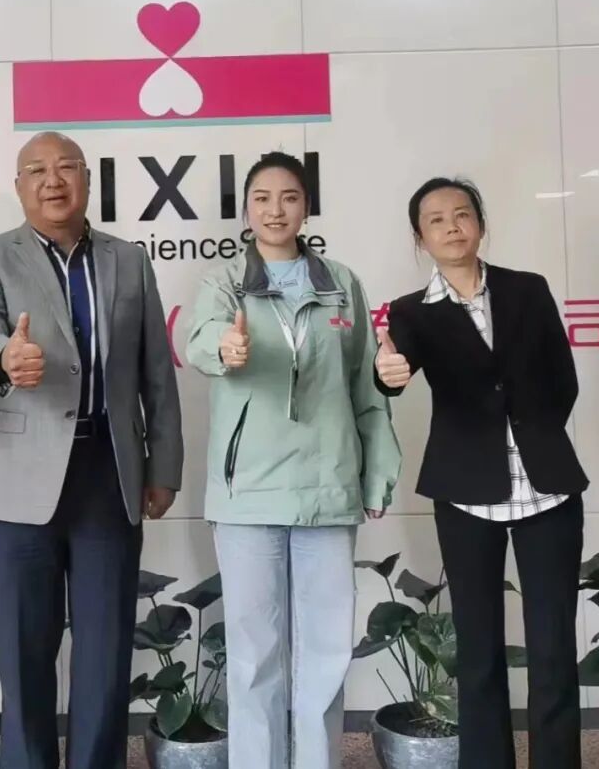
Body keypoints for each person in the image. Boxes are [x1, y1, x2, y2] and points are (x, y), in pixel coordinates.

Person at [0, 131, 183, 769]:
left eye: (66, 168)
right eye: (37, 170)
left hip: (109, 473)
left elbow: (155, 372)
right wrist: (5, 356)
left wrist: (164, 466)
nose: (52, 181)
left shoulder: (128, 260)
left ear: (86, 179)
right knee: (23, 648)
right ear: (19, 186)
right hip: (18, 479)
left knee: (105, 649)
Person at [186, 151, 401, 769]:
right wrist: (224, 346)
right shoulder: (225, 283)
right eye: (262, 198)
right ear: (246, 210)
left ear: (306, 207)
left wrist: (377, 474)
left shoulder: (341, 284)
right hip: (248, 492)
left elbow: (366, 388)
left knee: (326, 653)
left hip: (327, 486)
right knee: (254, 654)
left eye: (288, 197)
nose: (275, 210)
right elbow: (199, 340)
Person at [374, 177, 588, 769]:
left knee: (553, 648)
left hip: (547, 489)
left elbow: (563, 379)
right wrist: (386, 372)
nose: (451, 225)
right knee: (478, 651)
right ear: (420, 237)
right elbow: (392, 369)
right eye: (436, 219)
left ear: (480, 223)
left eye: (462, 213)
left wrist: (534, 435)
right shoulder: (411, 311)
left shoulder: (527, 289)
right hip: (466, 494)